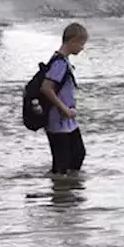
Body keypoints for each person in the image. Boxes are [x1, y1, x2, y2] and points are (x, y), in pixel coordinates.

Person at [40, 22, 88, 176]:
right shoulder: (59, 63)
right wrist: (63, 108)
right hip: (58, 120)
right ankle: (59, 193)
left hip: (68, 121)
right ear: (72, 40)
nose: (82, 48)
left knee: (78, 154)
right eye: (81, 43)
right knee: (62, 163)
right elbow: (46, 88)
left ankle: (68, 192)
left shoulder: (63, 61)